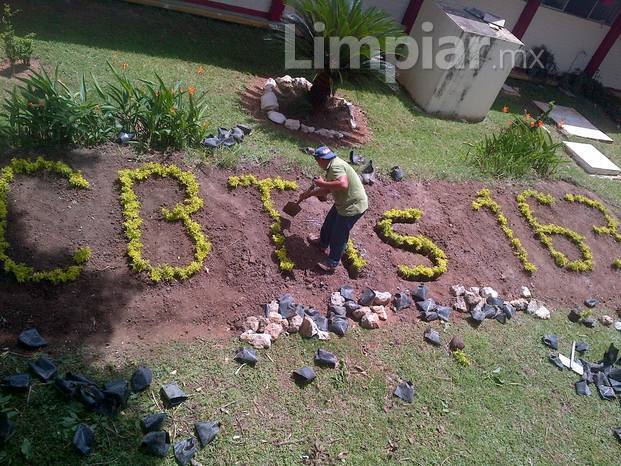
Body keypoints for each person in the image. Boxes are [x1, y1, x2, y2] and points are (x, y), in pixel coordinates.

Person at [298, 146, 368, 273]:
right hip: (344, 203)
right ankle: (322, 243)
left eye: (326, 158)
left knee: (339, 235)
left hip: (352, 206)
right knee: (329, 223)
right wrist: (309, 194)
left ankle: (332, 262)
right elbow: (328, 189)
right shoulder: (333, 165)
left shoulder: (335, 167)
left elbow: (342, 184)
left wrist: (322, 183)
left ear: (319, 160)